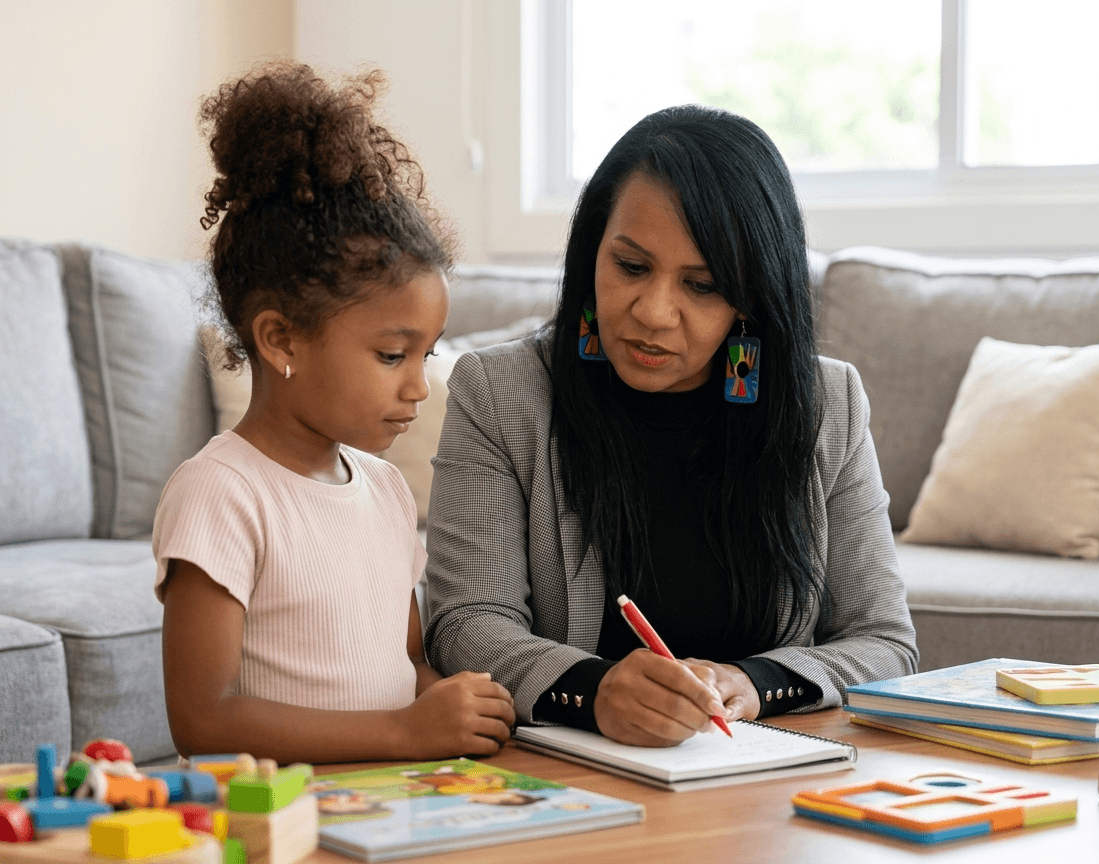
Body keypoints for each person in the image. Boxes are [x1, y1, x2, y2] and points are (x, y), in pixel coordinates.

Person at [424, 104, 918, 747]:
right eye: (630, 267)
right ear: (590, 253)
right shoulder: (502, 394)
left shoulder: (828, 405)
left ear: (750, 297)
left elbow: (886, 643)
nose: (654, 313)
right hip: (579, 769)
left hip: (756, 778)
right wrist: (593, 690)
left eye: (702, 285)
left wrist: (754, 684)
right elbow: (464, 619)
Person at [154, 62, 515, 763]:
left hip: (387, 803)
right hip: (283, 819)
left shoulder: (383, 490)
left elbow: (402, 672)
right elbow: (203, 719)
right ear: (281, 339)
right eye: (391, 356)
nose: (419, 387)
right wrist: (405, 734)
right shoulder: (219, 494)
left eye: (426, 356)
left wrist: (462, 707)